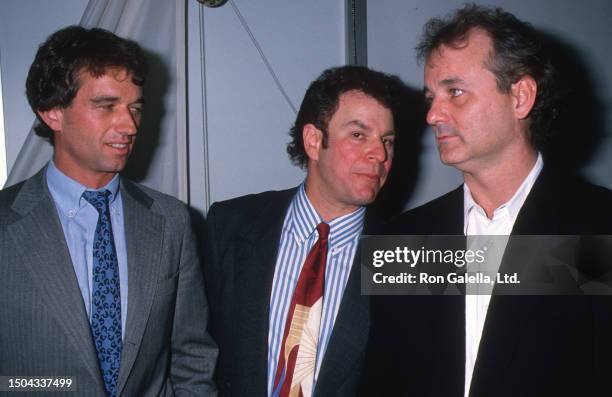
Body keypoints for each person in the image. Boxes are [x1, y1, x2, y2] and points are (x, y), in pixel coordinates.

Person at [364, 4, 612, 396]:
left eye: (455, 92)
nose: (432, 114)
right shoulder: (403, 242)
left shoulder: (600, 228)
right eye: (432, 96)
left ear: (521, 97)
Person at [0, 26, 217, 396]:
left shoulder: (171, 221)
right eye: (106, 106)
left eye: (135, 107)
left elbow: (191, 356)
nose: (129, 125)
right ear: (52, 112)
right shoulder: (7, 224)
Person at [203, 65, 403, 396]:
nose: (380, 155)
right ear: (313, 140)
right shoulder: (229, 225)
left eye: (388, 141)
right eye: (358, 135)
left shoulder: (403, 255)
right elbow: (192, 353)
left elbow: (517, 273)